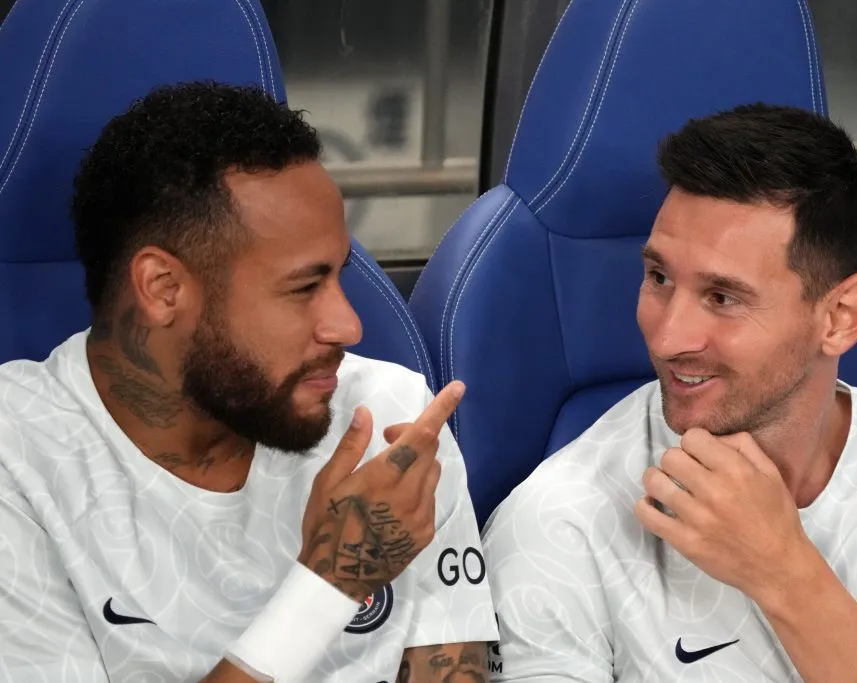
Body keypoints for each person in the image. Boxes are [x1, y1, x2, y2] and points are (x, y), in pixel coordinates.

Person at [481, 103, 857, 682]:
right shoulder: (556, 526)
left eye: (723, 298)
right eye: (659, 278)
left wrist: (783, 572)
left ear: (840, 316)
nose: (667, 338)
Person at [0, 82, 497, 683]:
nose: (349, 324)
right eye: (303, 287)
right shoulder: (20, 461)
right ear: (163, 289)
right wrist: (329, 583)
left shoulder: (391, 417)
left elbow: (457, 670)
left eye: (340, 275)